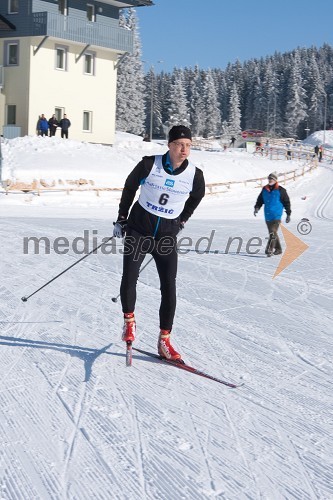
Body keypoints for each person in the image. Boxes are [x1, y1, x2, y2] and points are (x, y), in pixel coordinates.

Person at [113, 125, 205, 361]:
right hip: (139, 231)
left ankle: (164, 340)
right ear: (169, 145)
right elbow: (129, 187)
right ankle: (129, 322)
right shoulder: (149, 164)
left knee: (169, 287)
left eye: (188, 145)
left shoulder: (195, 175)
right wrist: (122, 218)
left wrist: (183, 218)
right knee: (130, 276)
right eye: (179, 145)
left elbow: (197, 196)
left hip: (166, 237)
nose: (184, 150)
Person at [254, 172, 291, 256]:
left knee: (272, 232)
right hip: (267, 215)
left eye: (272, 179)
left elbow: (286, 202)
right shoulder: (264, 189)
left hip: (276, 215)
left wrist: (288, 214)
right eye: (269, 179)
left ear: (275, 180)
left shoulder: (281, 190)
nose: (270, 180)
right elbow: (260, 200)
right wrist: (256, 207)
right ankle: (278, 249)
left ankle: (269, 249)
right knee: (273, 232)